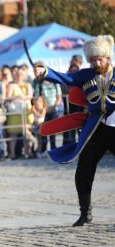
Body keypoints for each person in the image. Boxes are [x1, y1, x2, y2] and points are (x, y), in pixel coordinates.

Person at [34, 35, 115, 227]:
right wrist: (45, 71)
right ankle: (85, 213)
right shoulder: (85, 75)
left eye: (100, 59)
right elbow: (66, 78)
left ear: (108, 57)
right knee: (83, 170)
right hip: (95, 129)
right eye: (93, 59)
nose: (96, 62)